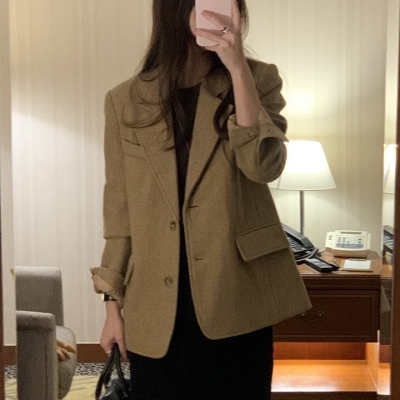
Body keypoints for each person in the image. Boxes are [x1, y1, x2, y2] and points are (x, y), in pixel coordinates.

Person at [91, 0, 311, 398]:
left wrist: (238, 68)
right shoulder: (124, 100)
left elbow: (263, 166)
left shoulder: (259, 79)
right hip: (156, 302)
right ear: (175, 9)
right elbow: (120, 210)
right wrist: (112, 306)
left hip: (237, 292)